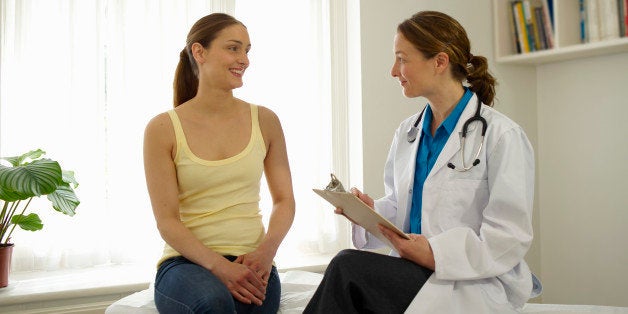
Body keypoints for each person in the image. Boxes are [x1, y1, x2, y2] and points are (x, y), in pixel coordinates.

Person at [304, 11, 540, 313]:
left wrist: (434, 253)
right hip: (414, 272)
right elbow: (406, 208)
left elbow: (509, 237)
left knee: (347, 267)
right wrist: (369, 211)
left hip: (471, 281)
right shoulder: (408, 133)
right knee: (349, 273)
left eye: (402, 59)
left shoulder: (502, 136)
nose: (393, 70)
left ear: (439, 62)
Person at [143, 13, 295, 314]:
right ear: (199, 52)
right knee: (214, 303)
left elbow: (284, 200)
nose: (244, 59)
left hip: (253, 262)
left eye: (247, 50)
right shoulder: (163, 128)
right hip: (185, 265)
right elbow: (167, 221)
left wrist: (265, 254)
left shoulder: (265, 120)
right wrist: (218, 268)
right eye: (233, 48)